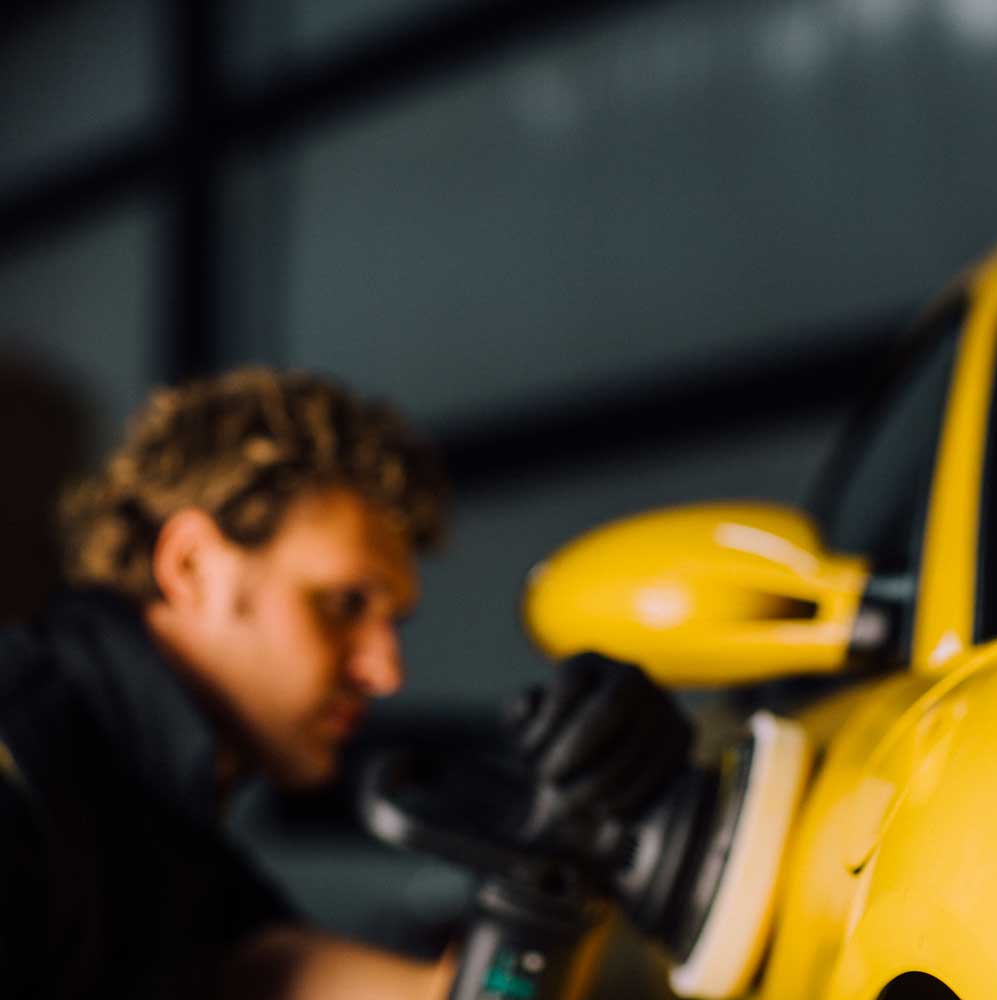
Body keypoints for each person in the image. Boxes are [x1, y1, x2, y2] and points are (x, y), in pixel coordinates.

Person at [0, 368, 691, 999]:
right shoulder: (23, 762)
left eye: (392, 622)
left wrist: (562, 875)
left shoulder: (168, 855)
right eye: (343, 605)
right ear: (193, 567)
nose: (385, 672)